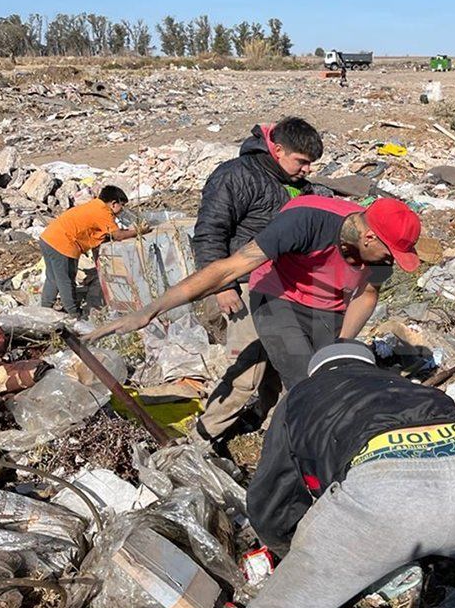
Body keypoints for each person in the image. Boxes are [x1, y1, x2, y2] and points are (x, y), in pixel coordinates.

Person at [221, 342, 455, 608]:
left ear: (316, 371)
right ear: (368, 365)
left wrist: (295, 552)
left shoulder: (301, 396)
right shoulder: (407, 385)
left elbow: (273, 497)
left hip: (384, 493)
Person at [85, 196, 421, 391]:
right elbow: (228, 270)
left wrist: (343, 342)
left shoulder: (380, 253)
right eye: (390, 254)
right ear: (369, 238)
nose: (391, 262)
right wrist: (151, 310)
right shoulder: (306, 222)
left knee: (331, 371)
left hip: (327, 306)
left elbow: (366, 295)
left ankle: (279, 413)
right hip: (278, 297)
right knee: (307, 383)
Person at [190, 117, 329, 443]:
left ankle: (270, 428)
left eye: (311, 164)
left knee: (282, 366)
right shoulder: (236, 175)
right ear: (277, 149)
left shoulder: (294, 182)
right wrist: (222, 286)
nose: (307, 169)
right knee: (247, 374)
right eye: (302, 161)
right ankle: (202, 437)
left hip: (285, 289)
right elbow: (210, 233)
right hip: (244, 287)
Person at [38, 185, 146, 317]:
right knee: (65, 280)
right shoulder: (104, 212)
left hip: (48, 238)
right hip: (63, 244)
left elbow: (98, 232)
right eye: (121, 205)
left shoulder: (94, 205)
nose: (122, 210)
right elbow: (118, 235)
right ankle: (74, 314)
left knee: (53, 278)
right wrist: (139, 231)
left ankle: (44, 310)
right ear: (113, 203)